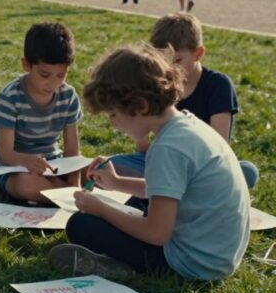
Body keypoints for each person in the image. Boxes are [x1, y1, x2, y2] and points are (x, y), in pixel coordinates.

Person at [48, 45, 250, 281]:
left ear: (140, 106)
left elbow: (156, 233)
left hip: (192, 264)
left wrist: (100, 209)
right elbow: (169, 188)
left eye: (114, 114)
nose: (113, 124)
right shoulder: (186, 126)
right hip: (216, 256)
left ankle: (120, 268)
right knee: (132, 204)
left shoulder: (168, 148)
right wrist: (117, 183)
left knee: (81, 225)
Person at [106, 13, 259, 188]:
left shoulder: (219, 85)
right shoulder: (158, 84)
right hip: (163, 160)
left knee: (247, 171)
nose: (170, 67)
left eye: (177, 60)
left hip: (202, 165)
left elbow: (220, 145)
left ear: (198, 53)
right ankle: (167, 188)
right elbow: (144, 149)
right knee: (111, 165)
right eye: (163, 61)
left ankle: (165, 188)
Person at [0, 22, 82, 204]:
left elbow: (73, 152)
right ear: (26, 64)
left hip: (54, 162)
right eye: (44, 75)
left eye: (61, 75)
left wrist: (74, 180)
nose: (53, 84)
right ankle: (72, 197)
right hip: (15, 166)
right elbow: (5, 153)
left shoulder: (68, 95)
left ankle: (65, 193)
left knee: (98, 168)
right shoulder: (10, 97)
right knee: (26, 185)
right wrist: (27, 161)